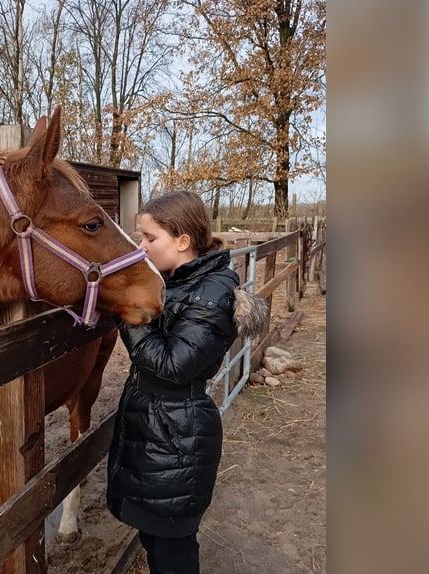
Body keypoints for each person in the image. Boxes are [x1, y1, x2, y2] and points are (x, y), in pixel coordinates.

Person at [106, 190, 267, 574]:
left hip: (177, 436)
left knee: (172, 553)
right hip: (159, 428)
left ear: (182, 241)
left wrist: (128, 312)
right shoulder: (176, 281)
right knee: (155, 539)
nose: (141, 247)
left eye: (149, 238)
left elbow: (173, 365)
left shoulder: (211, 293)